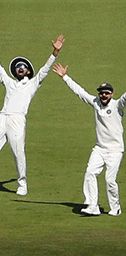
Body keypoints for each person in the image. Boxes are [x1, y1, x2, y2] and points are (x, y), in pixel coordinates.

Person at [0, 32, 64, 197]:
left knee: (18, 153)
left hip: (17, 120)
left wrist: (55, 53)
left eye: (23, 67)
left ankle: (22, 184)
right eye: (17, 67)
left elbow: (44, 70)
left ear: (28, 71)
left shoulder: (32, 84)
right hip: (2, 118)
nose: (20, 69)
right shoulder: (9, 83)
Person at [52, 63, 126, 216]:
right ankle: (92, 205)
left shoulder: (118, 105)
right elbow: (80, 92)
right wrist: (65, 77)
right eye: (101, 93)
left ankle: (115, 207)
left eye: (106, 93)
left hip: (115, 150)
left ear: (112, 94)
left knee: (109, 180)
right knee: (90, 173)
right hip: (99, 148)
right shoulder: (95, 103)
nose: (103, 95)